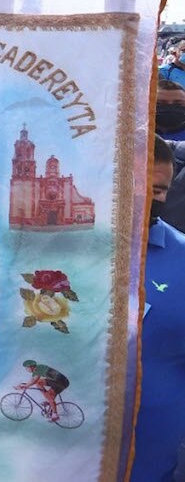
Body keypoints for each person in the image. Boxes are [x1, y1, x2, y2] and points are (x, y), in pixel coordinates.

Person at [135, 135, 185, 480]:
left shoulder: (182, 256)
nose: (162, 200)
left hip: (150, 466)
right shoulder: (46, 251)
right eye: (152, 190)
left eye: (164, 190)